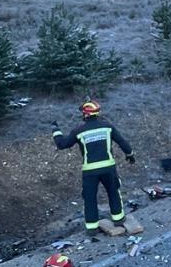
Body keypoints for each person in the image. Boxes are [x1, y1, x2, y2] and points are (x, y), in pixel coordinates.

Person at [53, 100, 136, 235]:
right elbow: (122, 142)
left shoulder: (78, 131)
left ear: (85, 115)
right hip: (109, 168)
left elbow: (62, 144)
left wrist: (55, 130)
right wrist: (130, 154)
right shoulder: (107, 127)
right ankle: (119, 219)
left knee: (90, 198)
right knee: (113, 192)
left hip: (90, 171)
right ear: (98, 113)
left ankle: (92, 228)